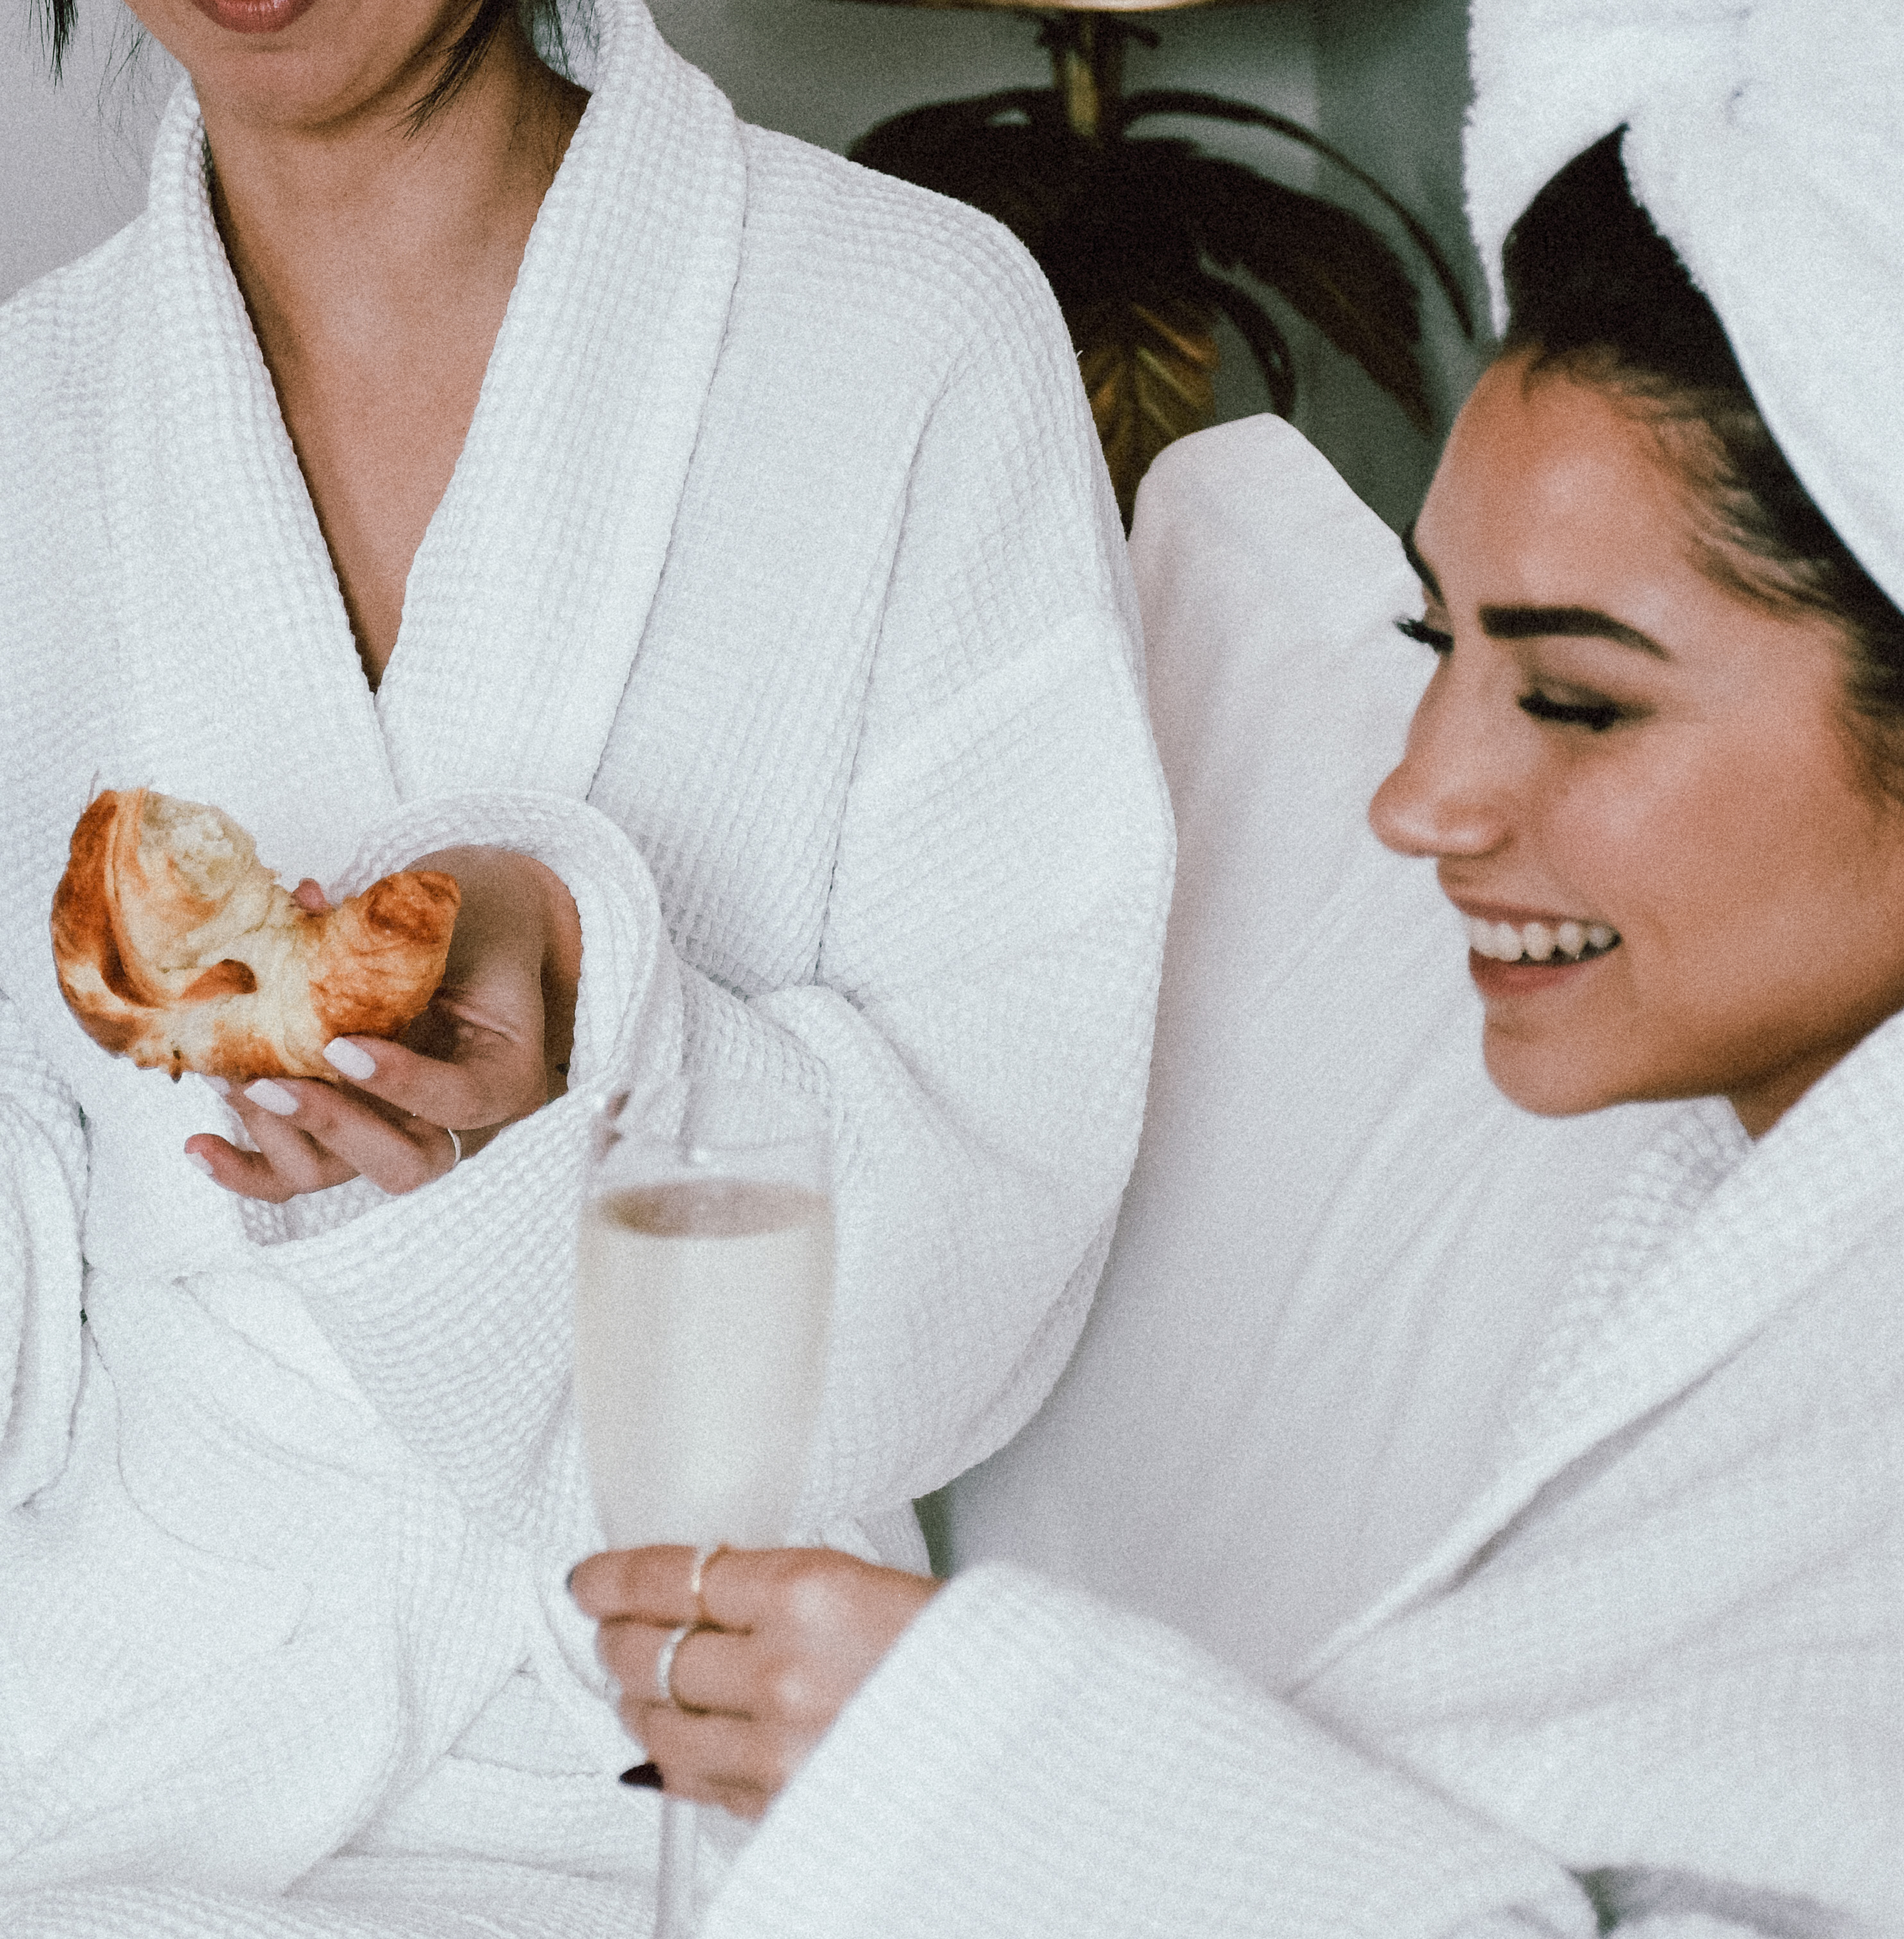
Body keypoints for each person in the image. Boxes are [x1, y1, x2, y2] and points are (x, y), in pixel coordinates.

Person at [571, 4, 1904, 1930]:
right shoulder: (1753, 1248)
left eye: (1580, 704)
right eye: (1426, 643)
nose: (1419, 797)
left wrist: (981, 1757)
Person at [0, 0, 1172, 1929]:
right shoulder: (34, 415)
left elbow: (1008, 1192)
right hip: (112, 1751)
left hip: (661, 1738)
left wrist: (595, 1039)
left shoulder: (912, 335)